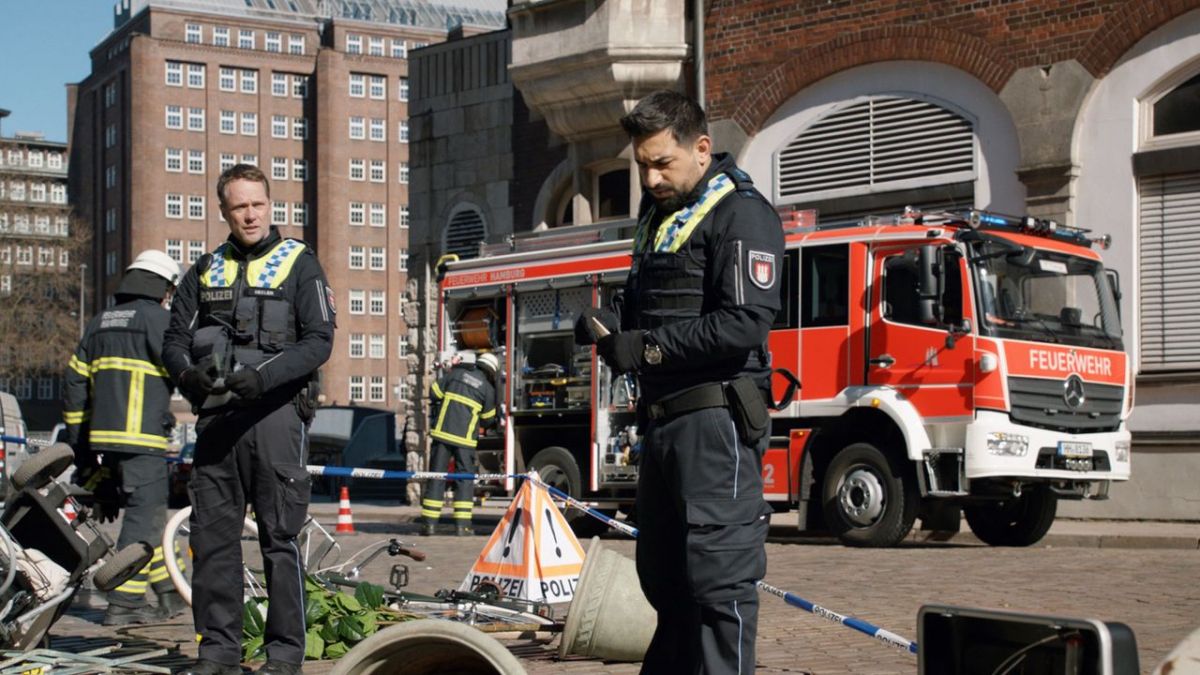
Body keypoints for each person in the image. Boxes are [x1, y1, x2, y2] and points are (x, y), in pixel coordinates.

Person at [575, 90, 784, 674]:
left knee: (719, 584)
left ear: (701, 148)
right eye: (642, 165)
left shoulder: (741, 213)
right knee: (664, 579)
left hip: (714, 422)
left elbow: (745, 322)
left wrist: (645, 348)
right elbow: (652, 302)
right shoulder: (658, 216)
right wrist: (611, 323)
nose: (650, 178)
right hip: (662, 422)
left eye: (662, 163)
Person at [163, 164, 335, 675]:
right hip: (216, 421)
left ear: (269, 204)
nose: (251, 215)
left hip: (276, 416)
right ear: (224, 211)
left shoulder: (300, 263)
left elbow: (319, 341)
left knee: (279, 539)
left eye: (258, 204)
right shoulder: (204, 270)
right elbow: (173, 341)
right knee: (212, 540)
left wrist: (263, 378)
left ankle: (284, 656)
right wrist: (188, 376)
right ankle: (217, 653)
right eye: (239, 207)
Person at [62, 249, 189, 626]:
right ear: (163, 287)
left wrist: (82, 449)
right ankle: (125, 601)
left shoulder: (99, 322)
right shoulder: (159, 321)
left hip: (103, 443)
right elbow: (187, 372)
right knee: (144, 520)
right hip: (142, 442)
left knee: (153, 518)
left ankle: (171, 591)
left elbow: (73, 384)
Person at [421, 350, 498, 536]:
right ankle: (462, 526)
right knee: (464, 481)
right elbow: (488, 420)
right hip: (465, 441)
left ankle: (429, 525)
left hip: (443, 435)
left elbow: (434, 393)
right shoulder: (488, 389)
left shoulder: (456, 374)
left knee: (437, 477)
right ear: (491, 372)